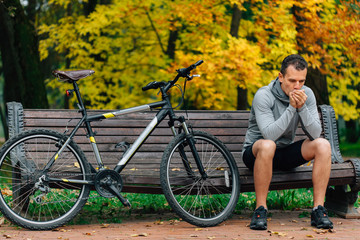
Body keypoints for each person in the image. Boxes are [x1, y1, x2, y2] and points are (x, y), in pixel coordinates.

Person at [242, 54, 333, 230]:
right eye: (292, 81)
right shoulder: (264, 95)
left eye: (302, 81)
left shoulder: (308, 94)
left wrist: (302, 107)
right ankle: (260, 209)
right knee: (269, 145)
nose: (297, 86)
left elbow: (315, 133)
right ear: (281, 77)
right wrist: (292, 108)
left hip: (283, 154)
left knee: (323, 145)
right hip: (256, 153)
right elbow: (269, 135)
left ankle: (318, 210)